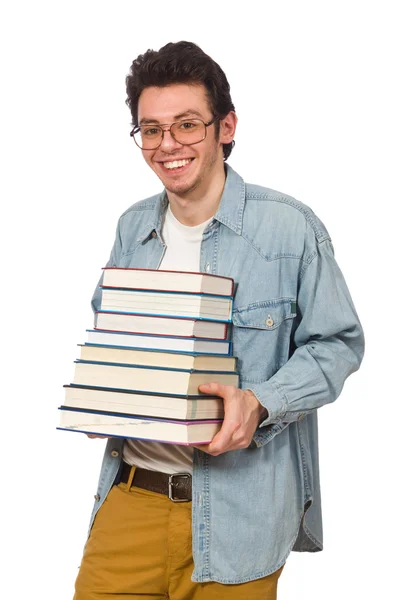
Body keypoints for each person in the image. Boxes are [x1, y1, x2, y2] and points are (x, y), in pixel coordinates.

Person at [73, 41, 364, 599]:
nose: (167, 145)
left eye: (187, 125)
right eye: (151, 129)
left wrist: (260, 402)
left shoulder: (289, 228)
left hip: (240, 512)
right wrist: (106, 393)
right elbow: (109, 326)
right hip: (130, 498)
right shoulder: (132, 227)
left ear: (225, 127)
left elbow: (337, 344)